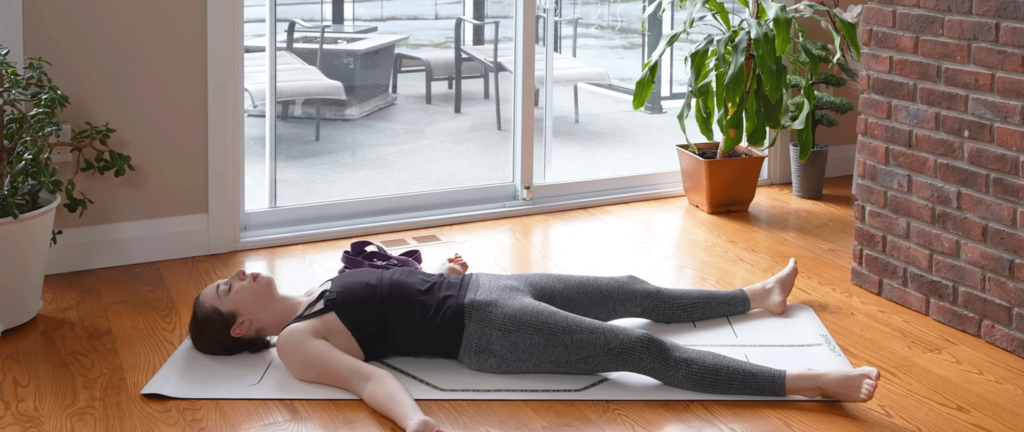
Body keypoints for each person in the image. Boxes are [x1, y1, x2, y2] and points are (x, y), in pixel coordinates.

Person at [190, 254, 880, 432]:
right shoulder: (298, 344)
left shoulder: (318, 288)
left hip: (494, 285)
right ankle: (809, 384)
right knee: (639, 354)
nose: (238, 276)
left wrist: (445, 271)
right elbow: (370, 381)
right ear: (243, 327)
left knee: (631, 289)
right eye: (228, 289)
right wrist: (416, 421)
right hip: (487, 331)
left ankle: (757, 299)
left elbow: (404, 287)